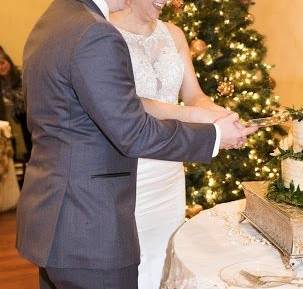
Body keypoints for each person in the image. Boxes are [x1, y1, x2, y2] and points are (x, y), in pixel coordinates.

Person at [15, 1, 257, 289]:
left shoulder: (53, 20)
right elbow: (133, 131)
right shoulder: (95, 32)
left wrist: (217, 118)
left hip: (58, 221)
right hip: (93, 224)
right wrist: (214, 136)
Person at [108, 1, 238, 287]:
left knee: (163, 260)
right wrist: (194, 115)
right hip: (131, 170)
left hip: (169, 175)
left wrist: (221, 116)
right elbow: (126, 103)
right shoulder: (105, 30)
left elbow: (194, 95)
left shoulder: (174, 34)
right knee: (131, 264)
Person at [0, 46, 31, 163]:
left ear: (8, 62)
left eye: (3, 63)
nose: (1, 67)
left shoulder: (20, 74)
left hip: (26, 113)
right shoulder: (1, 82)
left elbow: (24, 96)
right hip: (12, 117)